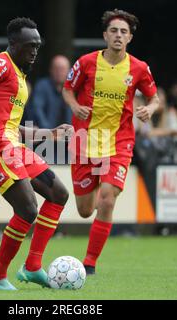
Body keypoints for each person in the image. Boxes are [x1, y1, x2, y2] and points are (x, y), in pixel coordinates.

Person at [0, 17, 73, 290]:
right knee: (26, 208)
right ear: (13, 44)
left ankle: (33, 266)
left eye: (38, 45)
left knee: (59, 193)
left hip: (12, 146)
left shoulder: (20, 76)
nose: (35, 50)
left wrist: (49, 134)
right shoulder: (1, 63)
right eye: (29, 45)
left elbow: (10, 125)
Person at [62, 9, 160, 275]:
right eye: (114, 31)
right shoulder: (86, 62)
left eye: (124, 32)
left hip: (120, 142)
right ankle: (97, 193)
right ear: (105, 35)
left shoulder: (139, 68)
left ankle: (90, 263)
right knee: (84, 210)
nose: (118, 35)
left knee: (107, 200)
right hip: (85, 141)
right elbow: (67, 89)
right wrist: (74, 106)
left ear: (130, 38)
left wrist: (149, 110)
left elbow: (154, 98)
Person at [27, 55, 72, 128]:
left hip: (66, 135)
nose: (59, 72)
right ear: (50, 70)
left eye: (62, 69)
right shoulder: (42, 86)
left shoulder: (71, 89)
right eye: (56, 68)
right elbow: (37, 110)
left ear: (69, 71)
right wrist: (49, 132)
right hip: (44, 134)